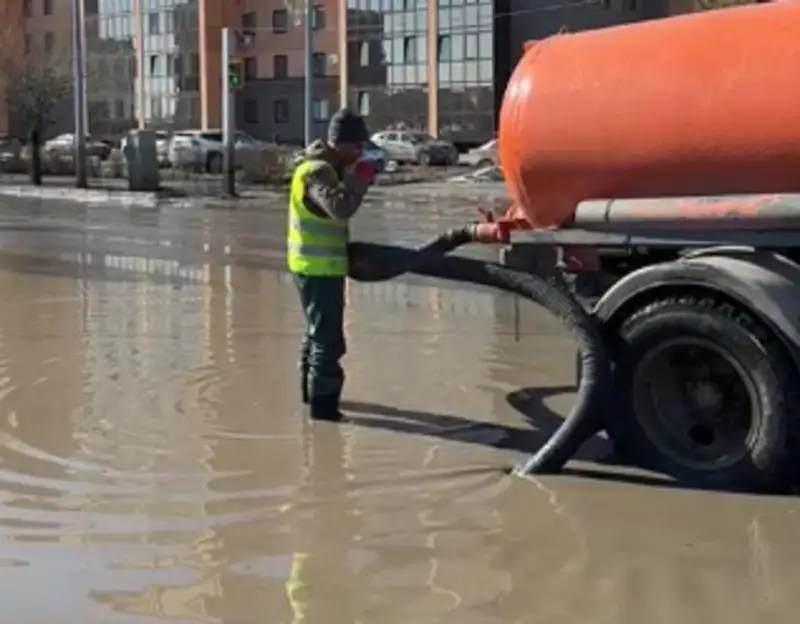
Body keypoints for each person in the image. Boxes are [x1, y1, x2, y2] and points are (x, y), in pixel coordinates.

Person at [287, 108, 375, 421]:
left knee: (315, 334)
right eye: (357, 147)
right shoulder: (318, 171)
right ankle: (324, 415)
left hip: (315, 266)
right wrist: (360, 180)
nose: (360, 153)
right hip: (317, 269)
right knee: (328, 341)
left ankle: (311, 400)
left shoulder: (325, 169)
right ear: (339, 143)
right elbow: (339, 208)